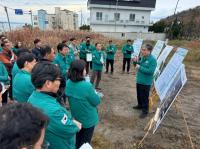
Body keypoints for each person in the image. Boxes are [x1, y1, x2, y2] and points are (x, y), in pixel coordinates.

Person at [28, 62, 82, 149]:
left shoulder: (33, 97)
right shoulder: (53, 111)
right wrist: (75, 124)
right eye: (58, 79)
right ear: (48, 83)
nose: (60, 82)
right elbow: (70, 129)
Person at [66, 59, 101, 148]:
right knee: (85, 142)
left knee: (78, 138)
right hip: (88, 119)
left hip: (76, 117)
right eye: (85, 69)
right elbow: (96, 101)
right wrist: (94, 92)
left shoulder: (68, 83)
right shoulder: (86, 86)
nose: (86, 70)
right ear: (80, 71)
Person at [133, 44, 157, 118]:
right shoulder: (143, 57)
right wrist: (135, 62)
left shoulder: (152, 60)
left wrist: (140, 67)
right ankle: (140, 105)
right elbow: (137, 66)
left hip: (146, 82)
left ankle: (145, 111)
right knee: (139, 95)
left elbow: (150, 71)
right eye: (142, 49)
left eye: (144, 50)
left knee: (144, 97)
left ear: (149, 51)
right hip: (139, 80)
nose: (142, 51)